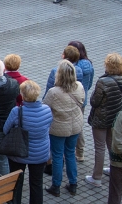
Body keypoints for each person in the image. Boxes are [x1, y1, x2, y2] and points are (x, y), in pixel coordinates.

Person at [3, 80, 51, 204]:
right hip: (40, 154)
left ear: (23, 95)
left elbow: (5, 130)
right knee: (36, 184)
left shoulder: (17, 111)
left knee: (17, 183)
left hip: (19, 153)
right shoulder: (47, 110)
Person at [86, 53, 122, 187]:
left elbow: (94, 101)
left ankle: (96, 177)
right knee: (112, 144)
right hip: (114, 117)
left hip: (101, 118)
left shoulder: (103, 81)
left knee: (99, 147)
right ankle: (115, 169)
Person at [43, 60, 84, 196]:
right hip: (75, 126)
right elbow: (82, 101)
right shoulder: (79, 86)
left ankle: (56, 185)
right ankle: (73, 183)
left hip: (58, 129)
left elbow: (45, 107)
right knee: (70, 154)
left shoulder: (54, 92)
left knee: (58, 156)